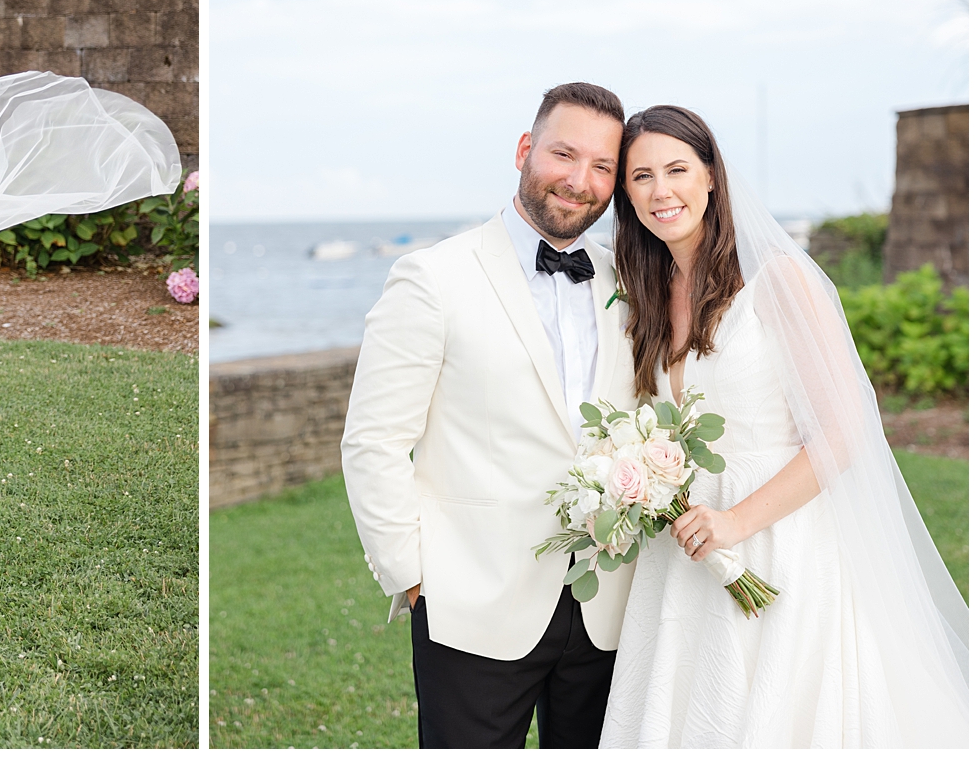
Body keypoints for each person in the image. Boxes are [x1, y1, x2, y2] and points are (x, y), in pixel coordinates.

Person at [598, 105, 967, 747]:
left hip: (780, 539)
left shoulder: (776, 280)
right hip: (683, 545)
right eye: (642, 176)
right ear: (626, 194)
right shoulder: (646, 294)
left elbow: (845, 431)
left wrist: (736, 522)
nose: (662, 191)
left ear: (712, 176)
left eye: (678, 169)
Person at [341, 82, 639, 747]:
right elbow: (374, 442)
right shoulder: (432, 277)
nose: (580, 181)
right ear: (525, 150)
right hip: (470, 604)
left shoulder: (628, 281)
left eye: (602, 167)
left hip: (609, 609)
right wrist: (414, 580)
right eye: (564, 155)